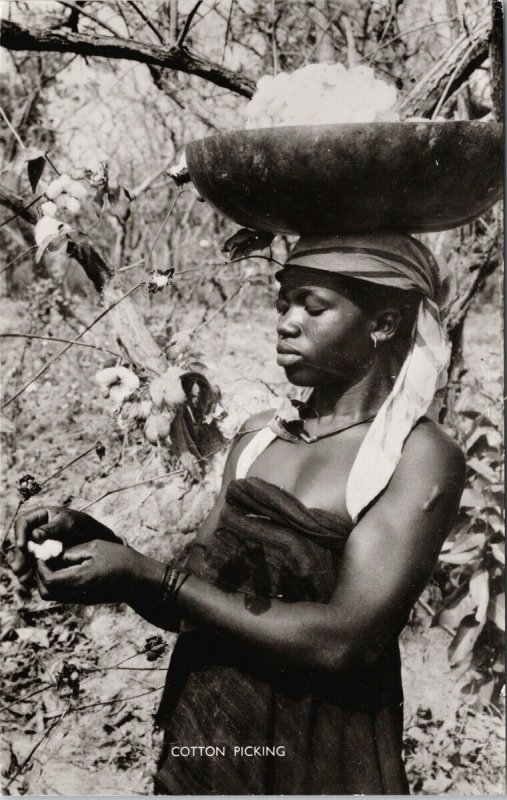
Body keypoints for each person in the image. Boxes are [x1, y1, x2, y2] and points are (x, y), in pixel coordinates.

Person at [12, 233, 466, 795]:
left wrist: (152, 576)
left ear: (385, 324)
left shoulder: (415, 456)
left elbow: (344, 641)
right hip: (213, 735)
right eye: (283, 305)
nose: (286, 322)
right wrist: (98, 545)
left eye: (313, 307)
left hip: (320, 753)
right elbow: (199, 604)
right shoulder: (257, 441)